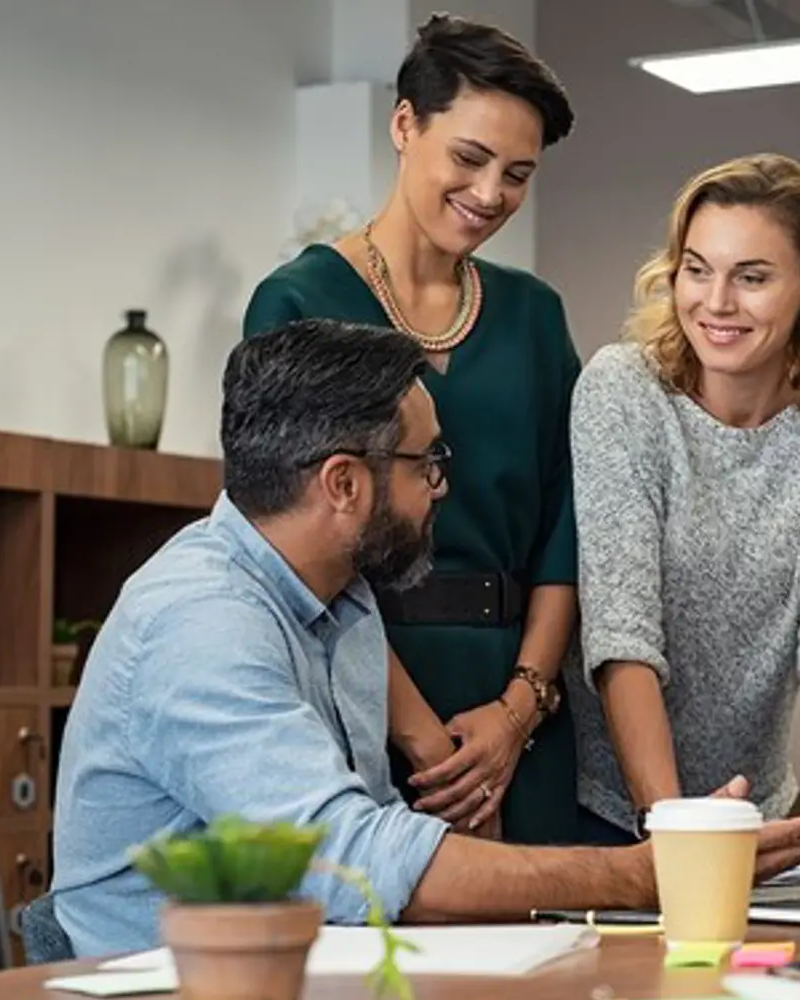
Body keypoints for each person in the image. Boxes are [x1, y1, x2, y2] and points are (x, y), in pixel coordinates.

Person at [45, 320, 800, 957]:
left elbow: (376, 860)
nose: (443, 486)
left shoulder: (344, 600)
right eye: (428, 461)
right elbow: (352, 862)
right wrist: (642, 875)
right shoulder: (198, 620)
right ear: (345, 484)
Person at [241, 15, 581, 844]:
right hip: (361, 686)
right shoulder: (296, 303)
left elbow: (571, 529)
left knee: (555, 960)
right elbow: (291, 541)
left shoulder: (536, 317)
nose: (491, 192)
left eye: (518, 174)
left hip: (518, 706)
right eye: (469, 158)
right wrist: (428, 743)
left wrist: (518, 710)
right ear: (403, 125)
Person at [567, 153, 800, 844]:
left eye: (751, 278)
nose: (716, 303)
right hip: (608, 807)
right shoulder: (623, 390)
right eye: (697, 269)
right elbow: (621, 630)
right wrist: (671, 829)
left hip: (760, 800)